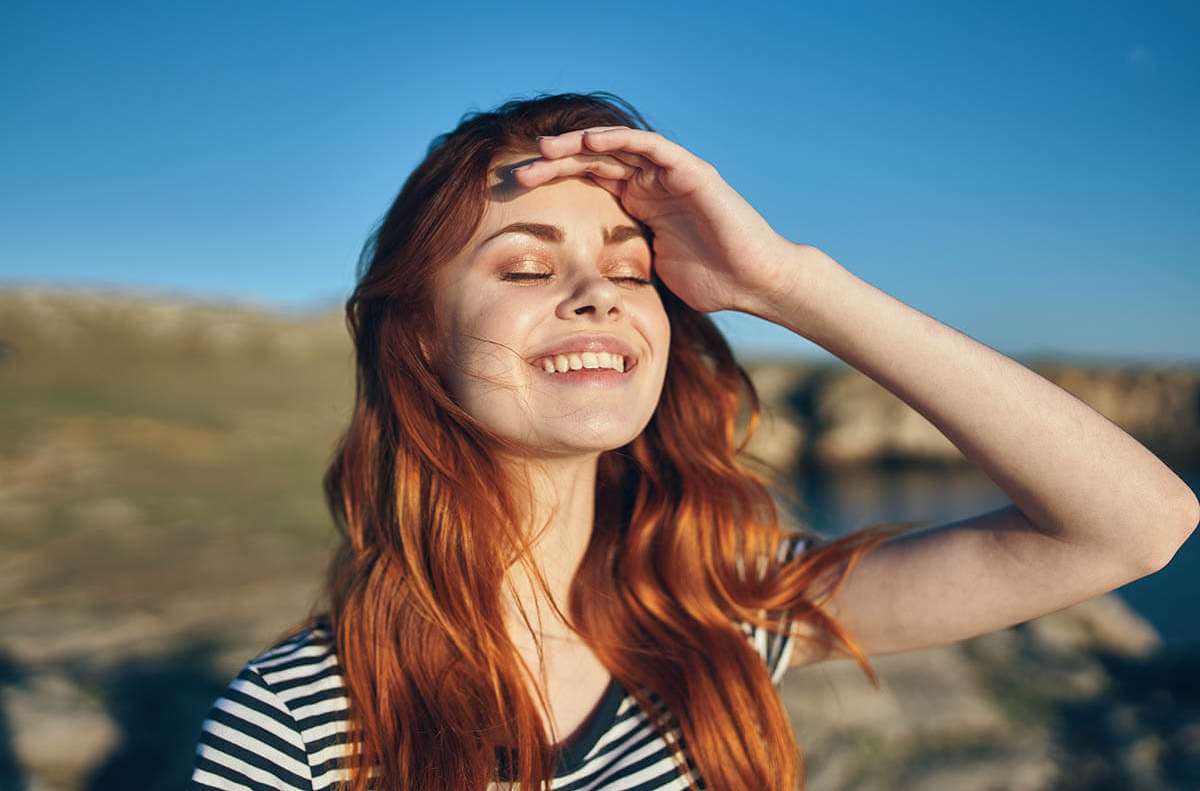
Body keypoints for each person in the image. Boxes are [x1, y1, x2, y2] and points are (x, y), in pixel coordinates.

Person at [189, 93, 1197, 791]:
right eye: (527, 269)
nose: (596, 293)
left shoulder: (724, 611)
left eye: (631, 271)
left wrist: (786, 283)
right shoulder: (296, 724)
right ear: (419, 336)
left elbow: (1137, 525)